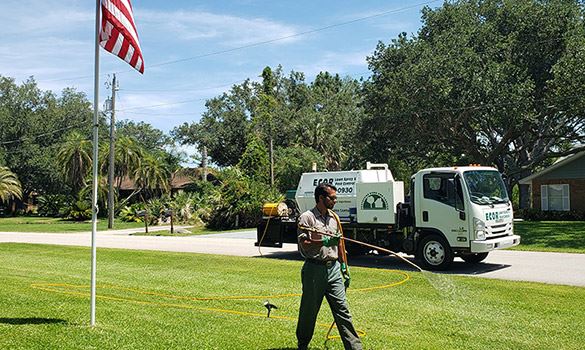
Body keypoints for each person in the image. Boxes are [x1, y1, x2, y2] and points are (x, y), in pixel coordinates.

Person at [296, 183, 363, 350]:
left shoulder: (334, 217)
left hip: (333, 270)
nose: (335, 200)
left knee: (343, 311)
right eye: (332, 198)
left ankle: (355, 348)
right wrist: (324, 241)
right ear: (321, 198)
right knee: (309, 312)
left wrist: (344, 267)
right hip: (314, 270)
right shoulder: (307, 218)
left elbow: (339, 243)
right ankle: (302, 344)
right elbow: (304, 243)